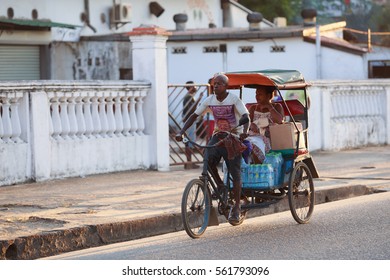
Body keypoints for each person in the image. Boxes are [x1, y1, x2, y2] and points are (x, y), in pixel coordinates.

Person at [176, 74, 250, 223]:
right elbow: (194, 115)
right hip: (218, 136)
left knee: (235, 172)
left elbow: (245, 116)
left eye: (219, 84)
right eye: (214, 84)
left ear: (226, 86)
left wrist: (244, 132)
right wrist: (182, 131)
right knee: (207, 160)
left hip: (233, 136)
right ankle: (221, 185)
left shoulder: (234, 99)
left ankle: (236, 207)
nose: (216, 86)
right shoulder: (209, 100)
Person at [247, 86, 284, 164]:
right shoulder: (253, 108)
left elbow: (279, 121)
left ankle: (258, 167)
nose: (257, 96)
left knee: (254, 145)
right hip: (254, 136)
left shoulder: (277, 106)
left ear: (268, 96)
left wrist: (269, 107)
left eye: (260, 94)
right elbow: (247, 123)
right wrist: (251, 125)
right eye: (256, 94)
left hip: (270, 139)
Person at [182, 81, 203, 169]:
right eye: (194, 86)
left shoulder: (188, 97)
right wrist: (199, 98)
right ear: (190, 87)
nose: (196, 88)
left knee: (188, 142)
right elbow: (192, 109)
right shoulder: (189, 97)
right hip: (189, 121)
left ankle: (189, 162)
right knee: (189, 142)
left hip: (188, 121)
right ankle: (189, 162)